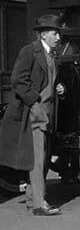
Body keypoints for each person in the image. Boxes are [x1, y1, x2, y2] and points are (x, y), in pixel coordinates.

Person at [0, 14, 65, 216]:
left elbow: (48, 81)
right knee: (37, 159)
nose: (58, 37)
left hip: (47, 115)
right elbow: (18, 81)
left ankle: (31, 199)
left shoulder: (53, 55)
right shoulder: (29, 51)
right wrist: (35, 102)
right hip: (33, 114)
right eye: (55, 33)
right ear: (44, 35)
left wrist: (58, 87)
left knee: (42, 159)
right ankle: (39, 204)